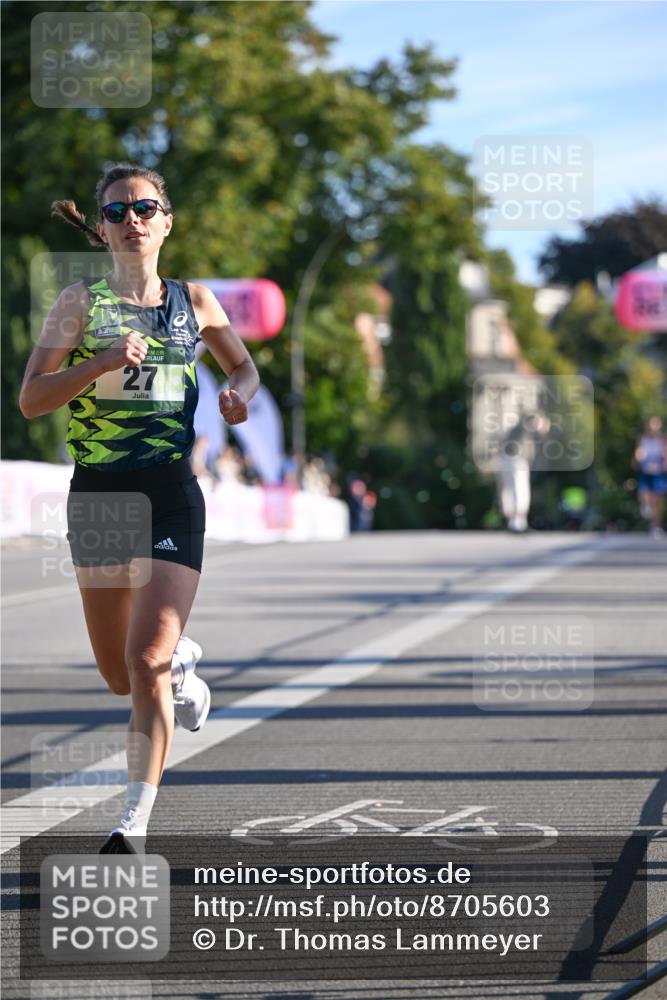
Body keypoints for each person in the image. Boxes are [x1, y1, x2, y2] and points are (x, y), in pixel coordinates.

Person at [19, 163, 260, 853]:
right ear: (100, 227)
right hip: (98, 496)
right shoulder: (78, 304)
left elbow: (241, 365)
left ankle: (132, 824)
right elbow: (32, 398)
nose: (133, 221)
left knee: (144, 660)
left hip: (169, 493)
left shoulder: (196, 302)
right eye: (118, 212)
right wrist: (95, 364)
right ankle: (180, 664)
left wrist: (237, 392)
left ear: (166, 221)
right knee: (118, 671)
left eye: (145, 208)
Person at [634, 416, 667, 537]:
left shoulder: (662, 440)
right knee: (643, 493)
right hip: (645, 471)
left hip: (658, 473)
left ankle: (655, 526)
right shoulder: (643, 440)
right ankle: (646, 506)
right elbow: (638, 453)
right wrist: (638, 457)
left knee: (658, 501)